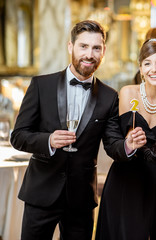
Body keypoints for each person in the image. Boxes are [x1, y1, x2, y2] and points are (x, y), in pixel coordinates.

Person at [10, 20, 146, 240]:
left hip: (81, 198)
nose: (89, 54)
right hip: (41, 191)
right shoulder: (40, 85)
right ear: (70, 47)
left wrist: (128, 145)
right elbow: (18, 136)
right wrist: (49, 141)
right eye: (83, 46)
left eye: (96, 48)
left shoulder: (109, 96)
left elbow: (112, 144)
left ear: (103, 51)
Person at [95, 38, 156, 240]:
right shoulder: (128, 94)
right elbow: (120, 141)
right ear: (141, 69)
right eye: (148, 63)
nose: (154, 69)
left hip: (155, 180)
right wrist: (133, 144)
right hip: (126, 179)